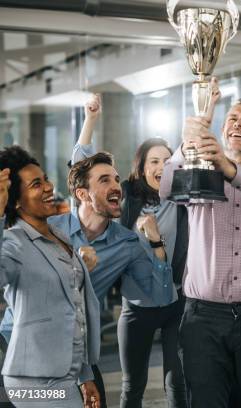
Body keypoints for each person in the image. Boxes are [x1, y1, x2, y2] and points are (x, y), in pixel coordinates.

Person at [159, 91, 241, 407]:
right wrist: (185, 145)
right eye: (232, 118)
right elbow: (166, 188)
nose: (238, 124)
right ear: (222, 131)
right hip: (202, 317)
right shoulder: (200, 174)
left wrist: (228, 168)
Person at [74, 94, 191, 408]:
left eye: (167, 162)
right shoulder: (123, 196)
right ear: (141, 166)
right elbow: (82, 172)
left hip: (175, 302)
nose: (161, 166)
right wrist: (90, 120)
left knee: (178, 384)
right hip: (136, 305)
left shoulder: (183, 200)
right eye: (154, 160)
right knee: (132, 386)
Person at [0, 146, 100, 408]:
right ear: (16, 201)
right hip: (32, 379)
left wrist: (84, 375)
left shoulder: (59, 237)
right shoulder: (13, 243)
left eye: (45, 178)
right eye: (36, 184)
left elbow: (74, 310)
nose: (48, 186)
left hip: (64, 371)